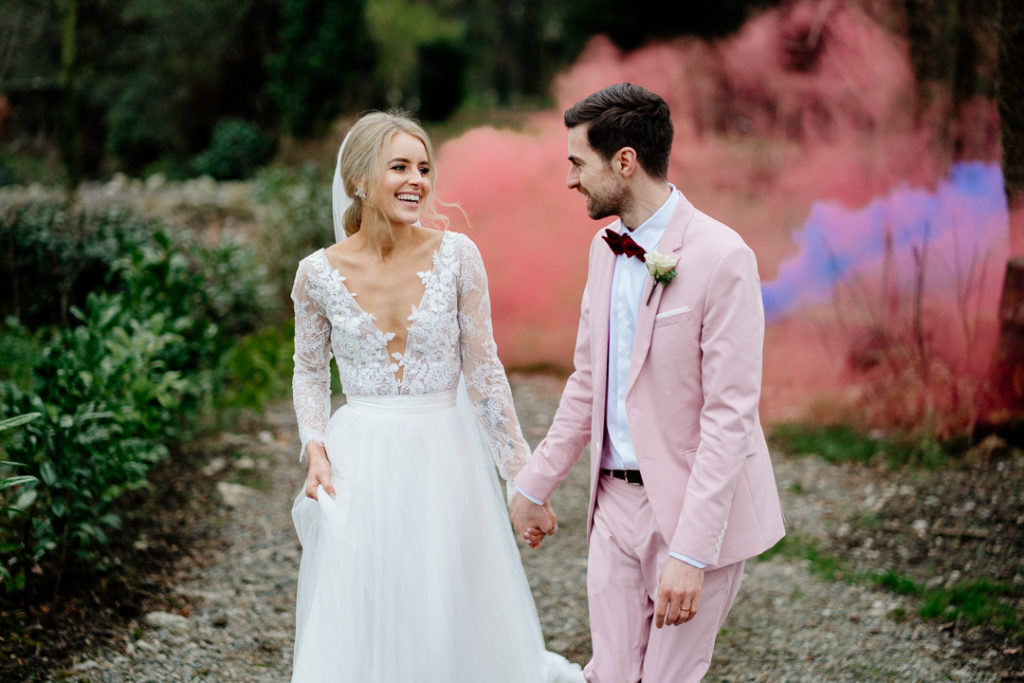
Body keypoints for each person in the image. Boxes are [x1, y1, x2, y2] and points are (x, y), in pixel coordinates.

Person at [289, 110, 583, 683]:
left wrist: (522, 478)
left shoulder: (457, 257)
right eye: (399, 166)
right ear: (359, 180)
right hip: (361, 457)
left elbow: (486, 375)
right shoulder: (316, 274)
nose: (416, 181)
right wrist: (316, 446)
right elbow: (307, 372)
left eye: (423, 168)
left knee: (446, 593)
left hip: (446, 452)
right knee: (369, 598)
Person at [509, 83, 786, 682]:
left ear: (625, 162)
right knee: (609, 673)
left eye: (578, 163)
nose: (570, 180)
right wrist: (535, 483)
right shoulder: (604, 251)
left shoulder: (723, 256)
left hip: (688, 510)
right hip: (611, 505)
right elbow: (588, 382)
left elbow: (729, 418)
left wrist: (691, 552)